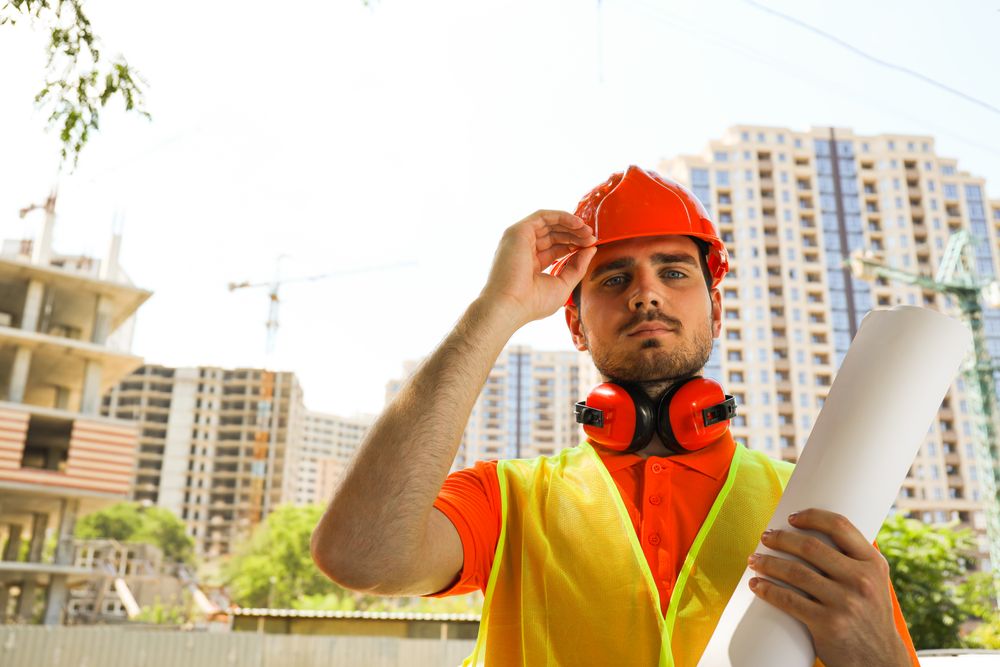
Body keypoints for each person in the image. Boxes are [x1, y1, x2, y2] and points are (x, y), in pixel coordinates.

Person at [311, 166, 920, 666]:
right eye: (614, 278)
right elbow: (361, 556)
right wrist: (497, 309)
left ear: (716, 307)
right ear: (575, 324)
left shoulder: (814, 501)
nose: (646, 293)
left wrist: (880, 655)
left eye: (674, 272)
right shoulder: (507, 500)